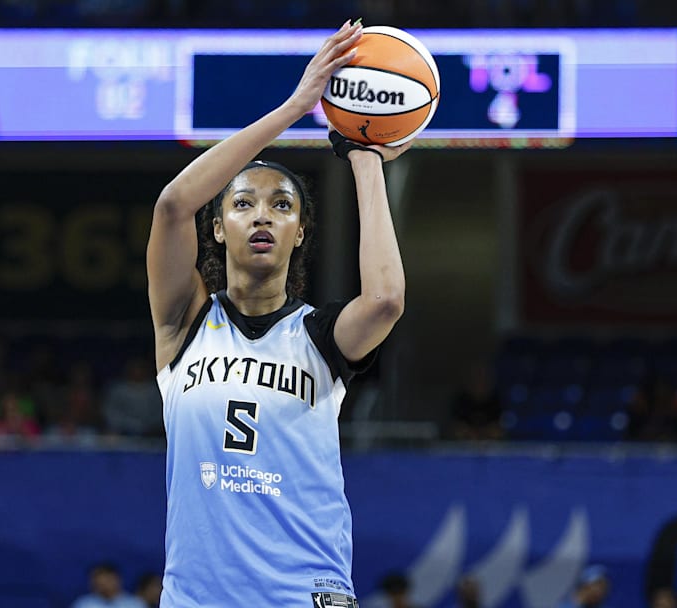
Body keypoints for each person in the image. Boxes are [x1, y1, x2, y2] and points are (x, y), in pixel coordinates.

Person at [147, 19, 407, 607]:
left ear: (300, 232)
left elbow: (387, 299)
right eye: (242, 204)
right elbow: (171, 205)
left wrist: (364, 156)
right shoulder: (183, 323)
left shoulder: (319, 335)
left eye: (281, 206)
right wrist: (298, 105)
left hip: (303, 594)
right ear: (217, 228)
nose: (262, 215)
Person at [70, 563, 138, 608]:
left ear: (117, 580)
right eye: (97, 583)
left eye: (106, 581)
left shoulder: (134, 604)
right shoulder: (84, 604)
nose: (103, 586)